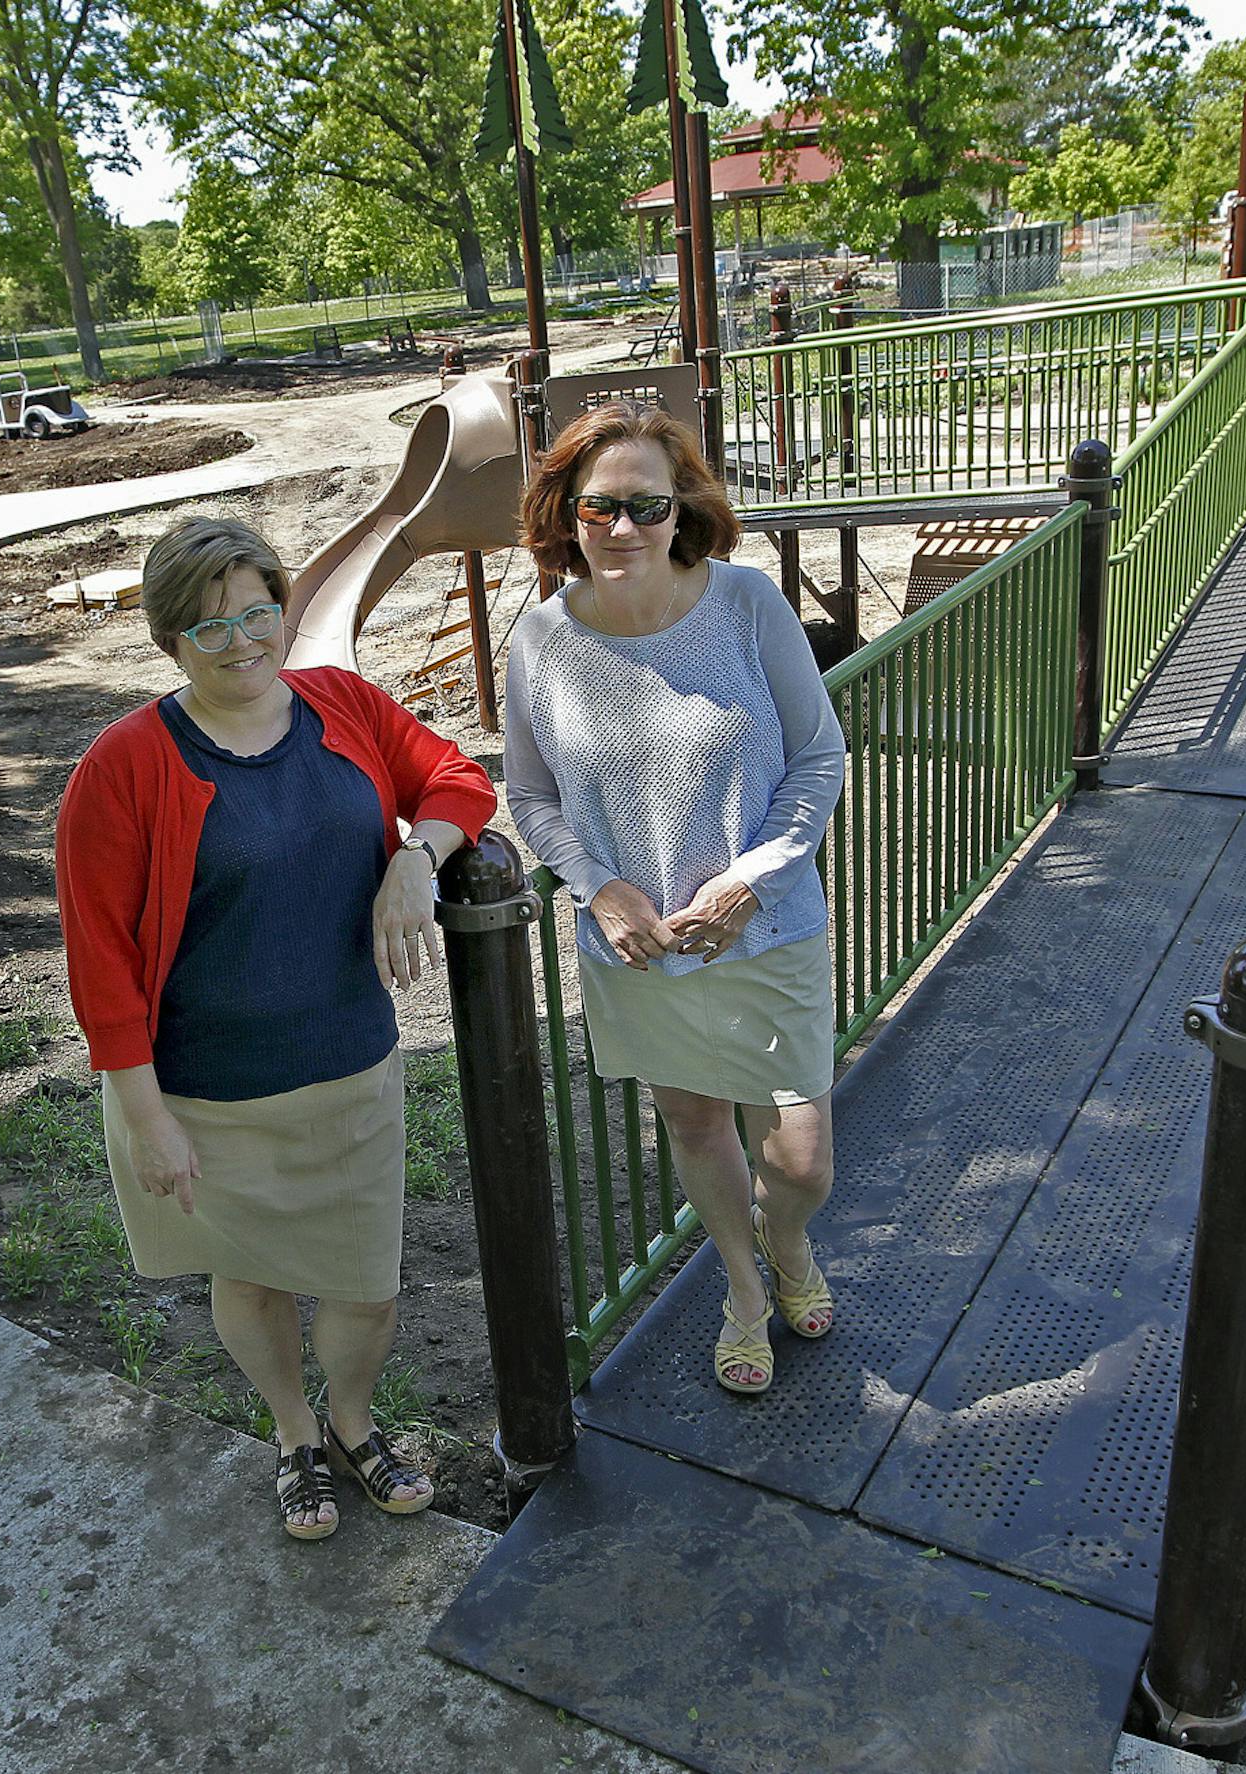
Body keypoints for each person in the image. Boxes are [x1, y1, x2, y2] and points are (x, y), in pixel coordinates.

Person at [54, 517, 496, 1538]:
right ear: (171, 640)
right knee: (246, 1274)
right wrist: (146, 1114)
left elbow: (457, 778)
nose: (243, 640)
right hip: (206, 1093)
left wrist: (414, 858)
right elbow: (101, 962)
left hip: (347, 1069)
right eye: (210, 627)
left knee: (364, 1288)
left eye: (259, 611)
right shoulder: (123, 767)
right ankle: (295, 1428)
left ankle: (351, 1417)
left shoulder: (340, 704)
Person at [503, 403, 848, 1396]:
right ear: (563, 512)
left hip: (768, 932)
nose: (623, 528)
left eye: (646, 505)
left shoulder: (746, 604)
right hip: (643, 952)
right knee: (697, 1128)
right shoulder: (540, 641)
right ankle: (744, 1289)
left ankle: (788, 1242)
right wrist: (596, 887)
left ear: (680, 507)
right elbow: (528, 794)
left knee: (802, 1157)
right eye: (598, 506)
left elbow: (818, 758)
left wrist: (752, 880)